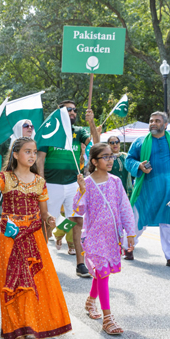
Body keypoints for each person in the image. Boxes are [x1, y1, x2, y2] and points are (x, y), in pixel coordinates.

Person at [0, 137, 71, 339]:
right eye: (27, 151)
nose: (32, 155)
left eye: (34, 152)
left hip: (34, 237)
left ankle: (32, 327)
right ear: (15, 154)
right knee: (17, 285)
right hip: (11, 238)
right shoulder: (4, 178)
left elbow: (44, 213)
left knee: (36, 283)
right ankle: (17, 335)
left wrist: (49, 221)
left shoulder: (39, 182)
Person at [74, 143, 136, 335]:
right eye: (105, 157)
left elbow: (125, 207)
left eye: (111, 156)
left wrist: (130, 232)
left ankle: (91, 300)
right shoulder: (87, 183)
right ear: (94, 161)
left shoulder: (116, 181)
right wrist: (81, 191)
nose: (110, 160)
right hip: (94, 237)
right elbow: (78, 210)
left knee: (103, 273)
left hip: (112, 236)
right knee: (102, 272)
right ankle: (107, 318)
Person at [37, 99, 100, 277]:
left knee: (77, 220)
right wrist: (41, 182)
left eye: (75, 110)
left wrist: (91, 122)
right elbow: (40, 159)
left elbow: (96, 144)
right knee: (47, 222)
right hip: (51, 183)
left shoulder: (79, 131)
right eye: (68, 110)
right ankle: (41, 261)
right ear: (60, 113)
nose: (72, 113)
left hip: (73, 183)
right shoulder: (49, 131)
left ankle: (81, 265)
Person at [125, 112, 170, 268]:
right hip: (147, 189)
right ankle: (127, 247)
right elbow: (129, 160)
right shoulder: (140, 142)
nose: (153, 123)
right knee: (138, 218)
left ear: (165, 125)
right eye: (151, 120)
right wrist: (139, 166)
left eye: (157, 121)